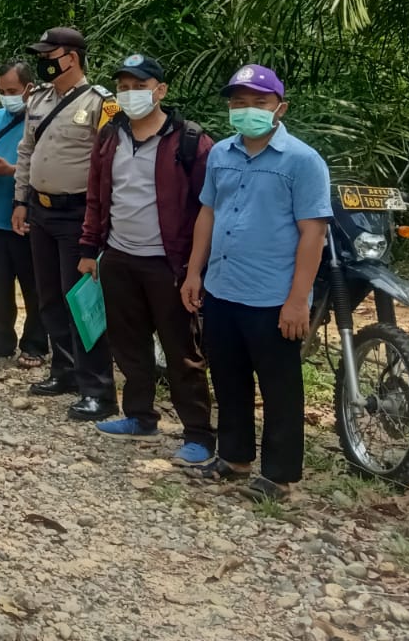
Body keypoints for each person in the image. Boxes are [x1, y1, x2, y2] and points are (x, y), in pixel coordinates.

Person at [183, 64, 331, 503]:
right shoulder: (221, 154)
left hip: (272, 296)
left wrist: (298, 300)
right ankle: (233, 458)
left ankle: (279, 476)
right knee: (228, 378)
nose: (247, 110)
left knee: (279, 385)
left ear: (279, 108)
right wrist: (194, 272)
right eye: (238, 102)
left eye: (259, 103)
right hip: (224, 286)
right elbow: (207, 214)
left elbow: (313, 233)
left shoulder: (302, 161)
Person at [77, 54, 215, 464]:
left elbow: (208, 206)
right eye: (124, 86)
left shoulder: (190, 141)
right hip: (119, 256)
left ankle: (198, 434)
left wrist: (196, 268)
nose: (131, 94)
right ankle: (139, 416)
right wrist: (89, 249)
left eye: (140, 86)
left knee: (182, 351)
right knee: (129, 344)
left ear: (161, 90)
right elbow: (97, 196)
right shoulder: (110, 136)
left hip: (167, 264)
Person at [11, 26, 118, 420]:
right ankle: (65, 371)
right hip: (40, 211)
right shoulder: (39, 99)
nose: (43, 62)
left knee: (82, 301)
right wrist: (20, 200)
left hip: (78, 214)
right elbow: (27, 152)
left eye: (49, 55)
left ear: (70, 58)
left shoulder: (101, 103)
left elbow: (109, 166)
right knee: (50, 295)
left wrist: (99, 221)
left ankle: (99, 390)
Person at [0, 61, 49, 366]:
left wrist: (11, 170)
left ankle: (36, 345)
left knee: (35, 286)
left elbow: (48, 166)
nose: (7, 97)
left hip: (31, 219)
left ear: (29, 88)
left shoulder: (43, 121)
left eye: (12, 91)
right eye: (1, 91)